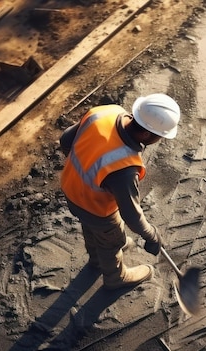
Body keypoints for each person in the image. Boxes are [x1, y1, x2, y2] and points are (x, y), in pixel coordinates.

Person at [59, 93, 180, 290]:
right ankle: (116, 277)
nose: (161, 140)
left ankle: (96, 259)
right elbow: (131, 215)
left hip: (71, 188)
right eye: (161, 136)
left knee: (91, 228)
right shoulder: (123, 168)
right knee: (111, 239)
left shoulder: (106, 112)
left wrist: (87, 165)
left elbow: (65, 139)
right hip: (96, 208)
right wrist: (152, 236)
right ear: (146, 135)